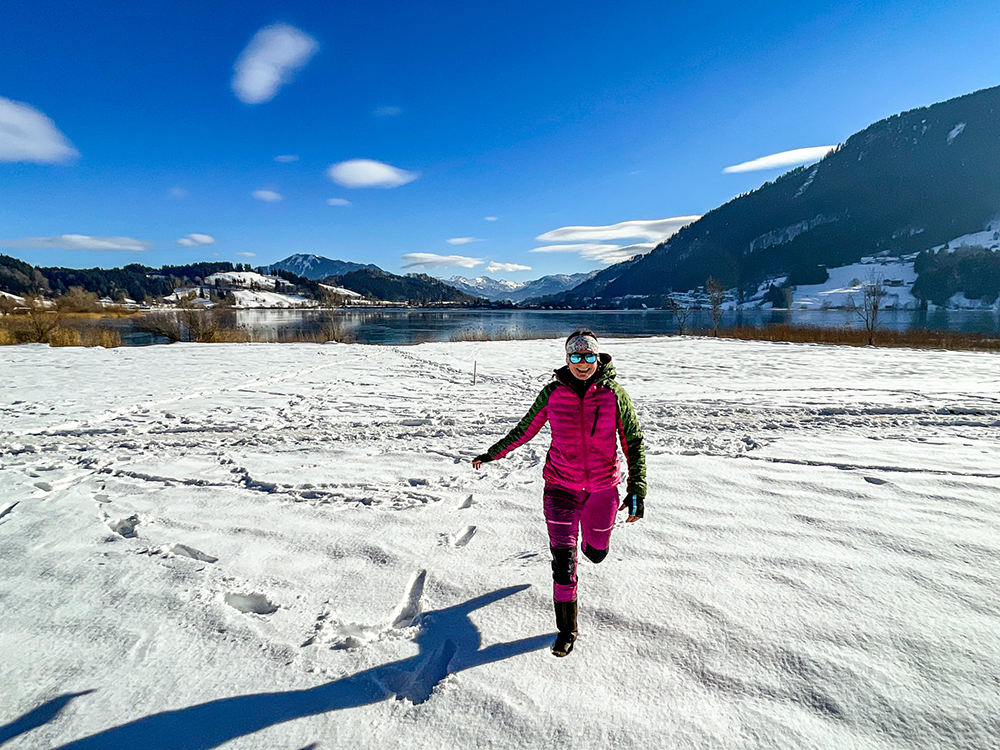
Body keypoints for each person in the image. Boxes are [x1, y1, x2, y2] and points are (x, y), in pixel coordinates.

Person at [473, 330, 646, 657]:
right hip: (559, 489)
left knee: (595, 552)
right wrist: (493, 453)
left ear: (598, 357)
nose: (583, 363)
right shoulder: (552, 394)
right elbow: (524, 430)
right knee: (563, 565)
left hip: (602, 490)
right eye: (576, 357)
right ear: (567, 359)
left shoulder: (614, 395)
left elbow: (633, 443)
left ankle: (593, 544)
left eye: (589, 356)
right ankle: (567, 630)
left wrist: (636, 490)